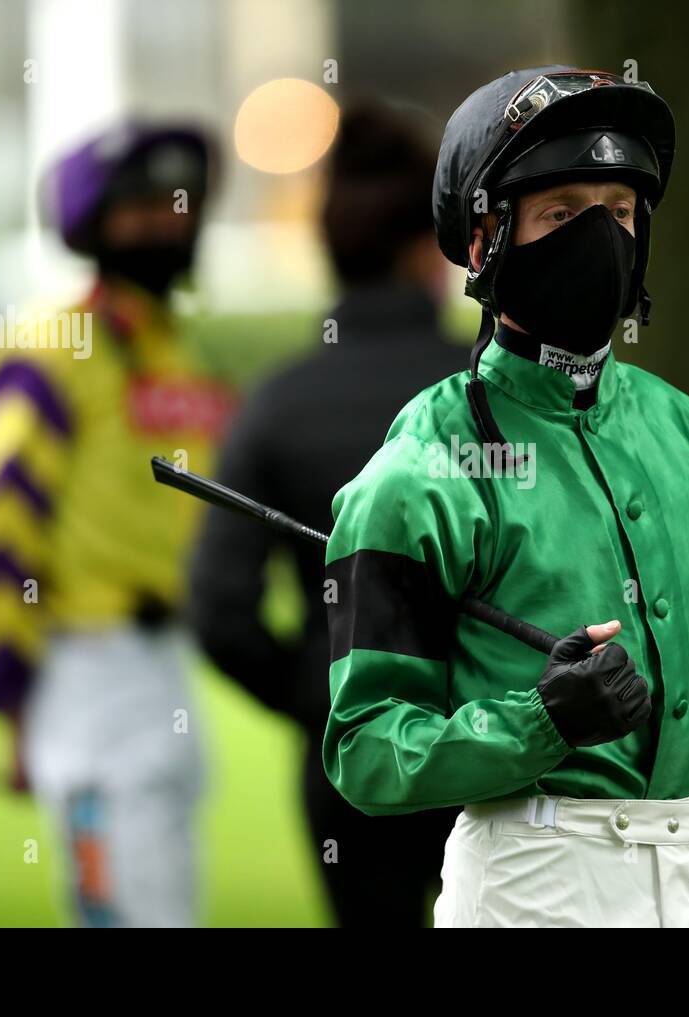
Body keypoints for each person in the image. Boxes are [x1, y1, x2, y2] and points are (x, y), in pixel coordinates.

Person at [322, 68, 689, 928]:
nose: (600, 236)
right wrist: (539, 721)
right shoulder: (419, 471)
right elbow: (366, 749)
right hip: (532, 883)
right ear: (487, 236)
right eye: (563, 212)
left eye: (617, 210)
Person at [0, 121, 233, 927]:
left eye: (181, 203)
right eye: (141, 206)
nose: (170, 221)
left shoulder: (179, 351)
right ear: (90, 221)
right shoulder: (45, 348)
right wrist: (14, 707)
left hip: (166, 664)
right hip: (83, 677)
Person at [189, 103, 463, 927]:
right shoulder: (496, 398)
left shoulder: (277, 406)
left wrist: (323, 694)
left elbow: (220, 611)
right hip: (493, 755)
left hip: (348, 766)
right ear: (429, 249)